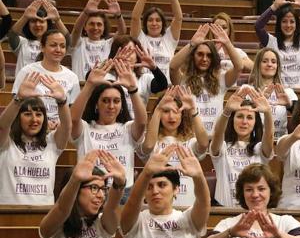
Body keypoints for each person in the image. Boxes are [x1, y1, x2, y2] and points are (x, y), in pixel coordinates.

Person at [70, 59, 147, 200]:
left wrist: (133, 90)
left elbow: (142, 122)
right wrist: (89, 85)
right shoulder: (85, 128)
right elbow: (72, 120)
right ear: (96, 104)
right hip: (90, 190)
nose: (111, 106)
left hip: (123, 192)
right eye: (105, 100)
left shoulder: (127, 128)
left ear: (122, 105)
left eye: (116, 101)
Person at [0, 72, 70, 205]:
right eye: (27, 114)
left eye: (39, 114)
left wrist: (62, 101)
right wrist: (18, 99)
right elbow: (2, 126)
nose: (34, 120)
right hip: (8, 215)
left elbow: (67, 126)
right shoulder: (6, 142)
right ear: (18, 118)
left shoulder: (51, 143)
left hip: (43, 214)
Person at [139, 86, 210, 206]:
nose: (171, 117)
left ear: (182, 115)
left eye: (176, 111)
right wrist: (158, 109)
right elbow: (148, 146)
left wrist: (193, 109)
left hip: (188, 205)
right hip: (158, 206)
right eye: (166, 111)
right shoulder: (151, 140)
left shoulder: (190, 142)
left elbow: (203, 144)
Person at [170, 22, 242, 134]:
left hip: (215, 139)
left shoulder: (222, 79)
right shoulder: (182, 80)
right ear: (193, 56)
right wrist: (192, 44)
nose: (204, 59)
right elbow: (173, 67)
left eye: (209, 55)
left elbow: (239, 66)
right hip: (190, 137)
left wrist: (227, 43)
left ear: (214, 58)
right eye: (200, 54)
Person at [210, 86, 273, 207]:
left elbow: (269, 136)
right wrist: (226, 111)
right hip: (225, 210)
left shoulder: (259, 148)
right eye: (239, 116)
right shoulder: (222, 146)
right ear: (232, 120)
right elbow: (217, 133)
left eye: (249, 117)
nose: (244, 122)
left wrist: (267, 112)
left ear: (255, 123)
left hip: (253, 208)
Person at [12, 30, 80, 128]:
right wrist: (42, 123)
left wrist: (62, 123)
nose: (58, 49)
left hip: (60, 129)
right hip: (32, 126)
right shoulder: (27, 71)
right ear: (42, 47)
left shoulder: (72, 77)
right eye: (53, 45)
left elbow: (73, 110)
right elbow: (16, 104)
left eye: (62, 46)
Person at [130, 0, 182, 82]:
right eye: (150, 20)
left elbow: (178, 18)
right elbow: (135, 18)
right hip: (145, 88)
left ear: (163, 23)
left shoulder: (169, 38)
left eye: (158, 20)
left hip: (167, 89)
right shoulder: (140, 37)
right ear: (145, 23)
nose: (154, 23)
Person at [104, 35, 168, 118]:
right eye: (123, 50)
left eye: (131, 51)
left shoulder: (145, 78)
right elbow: (89, 77)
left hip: (137, 126)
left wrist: (154, 68)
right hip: (113, 127)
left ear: (137, 56)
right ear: (115, 54)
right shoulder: (107, 76)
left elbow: (162, 85)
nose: (127, 55)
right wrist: (110, 64)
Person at [70, 0, 126, 80]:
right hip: (81, 87)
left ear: (104, 28)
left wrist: (118, 15)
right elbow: (76, 30)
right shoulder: (78, 42)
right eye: (91, 24)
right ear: (85, 27)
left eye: (99, 24)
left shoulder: (109, 44)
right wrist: (86, 12)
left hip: (102, 89)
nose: (95, 27)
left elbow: (122, 32)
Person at [8, 0, 70, 74]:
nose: (37, 24)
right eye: (33, 21)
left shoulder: (54, 44)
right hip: (24, 83)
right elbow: (12, 34)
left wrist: (57, 20)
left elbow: (67, 39)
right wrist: (25, 17)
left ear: (48, 24)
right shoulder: (22, 42)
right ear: (28, 25)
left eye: (41, 21)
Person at [247, 47, 297, 139]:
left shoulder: (287, 91)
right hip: (254, 141)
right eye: (265, 61)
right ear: (258, 65)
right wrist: (254, 104)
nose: (269, 64)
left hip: (280, 142)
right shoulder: (248, 90)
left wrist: (289, 105)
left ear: (277, 66)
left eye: (273, 62)